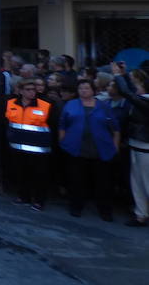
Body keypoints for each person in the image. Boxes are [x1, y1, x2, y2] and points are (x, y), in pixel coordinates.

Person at [59, 79, 120, 221]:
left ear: (93, 90)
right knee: (77, 181)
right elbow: (62, 125)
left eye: (86, 88)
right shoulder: (71, 105)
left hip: (100, 150)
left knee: (103, 182)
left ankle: (105, 210)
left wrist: (115, 146)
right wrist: (62, 142)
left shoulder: (104, 106)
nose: (83, 91)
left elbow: (115, 128)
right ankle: (76, 207)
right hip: (76, 149)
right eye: (81, 88)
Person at [5, 79, 52, 210]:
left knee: (39, 175)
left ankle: (39, 200)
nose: (32, 92)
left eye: (33, 90)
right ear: (20, 91)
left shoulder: (45, 105)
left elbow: (52, 125)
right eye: (28, 90)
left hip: (38, 148)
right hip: (17, 146)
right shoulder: (10, 103)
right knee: (20, 173)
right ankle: (23, 197)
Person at [113, 69, 149, 227]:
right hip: (136, 145)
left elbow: (126, 92)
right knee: (137, 183)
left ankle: (142, 213)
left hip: (145, 147)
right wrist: (123, 74)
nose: (136, 86)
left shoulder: (144, 101)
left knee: (146, 183)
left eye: (138, 84)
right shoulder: (140, 99)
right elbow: (129, 91)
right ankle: (140, 214)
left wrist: (118, 75)